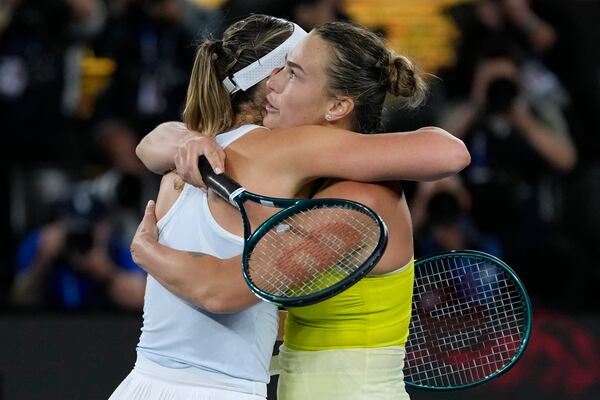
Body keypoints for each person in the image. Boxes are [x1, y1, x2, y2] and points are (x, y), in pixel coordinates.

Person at [125, 16, 469, 400]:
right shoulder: (308, 187)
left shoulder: (360, 202)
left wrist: (147, 251)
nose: (272, 83)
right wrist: (184, 141)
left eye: (293, 74)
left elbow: (223, 291)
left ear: (338, 105)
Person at [10, 190, 145, 311]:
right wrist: (42, 261)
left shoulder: (114, 246)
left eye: (89, 229)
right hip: (49, 328)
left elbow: (143, 300)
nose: (81, 236)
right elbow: (19, 301)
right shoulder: (40, 243)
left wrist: (108, 274)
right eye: (74, 228)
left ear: (105, 227)